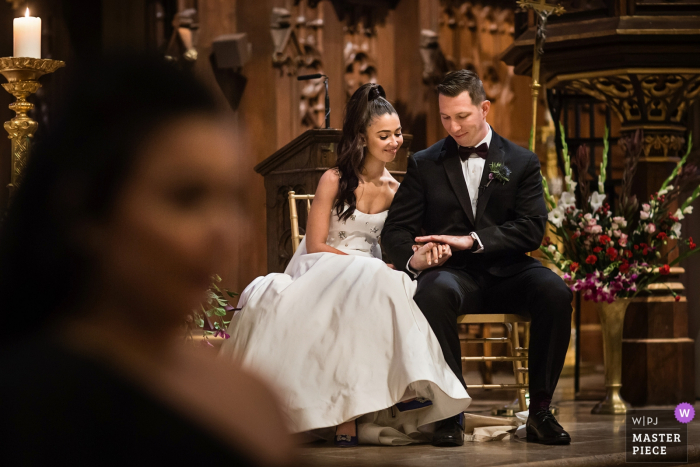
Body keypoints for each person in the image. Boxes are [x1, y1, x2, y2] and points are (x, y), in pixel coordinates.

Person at [0, 56, 295, 466]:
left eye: (232, 200)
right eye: (186, 197)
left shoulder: (252, 398)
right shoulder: (23, 404)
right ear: (87, 209)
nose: (225, 232)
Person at [219, 83, 471, 447]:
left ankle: (399, 390)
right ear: (362, 138)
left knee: (391, 283)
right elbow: (316, 244)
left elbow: (396, 246)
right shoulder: (333, 179)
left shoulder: (397, 189)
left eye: (398, 134)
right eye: (383, 135)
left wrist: (417, 257)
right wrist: (366, 267)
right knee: (371, 278)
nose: (394, 142)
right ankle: (345, 414)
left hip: (370, 271)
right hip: (321, 265)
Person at [382, 70, 573, 446]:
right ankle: (450, 412)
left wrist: (472, 240)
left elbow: (532, 228)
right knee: (431, 293)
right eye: (445, 117)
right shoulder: (425, 162)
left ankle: (540, 412)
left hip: (511, 271)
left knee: (556, 292)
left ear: (484, 108)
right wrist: (417, 258)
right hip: (453, 275)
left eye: (462, 116)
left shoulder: (521, 160)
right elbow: (395, 233)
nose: (453, 127)